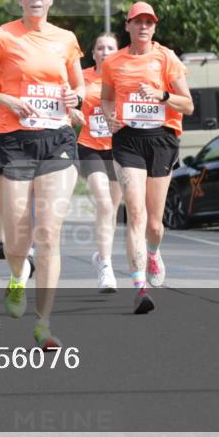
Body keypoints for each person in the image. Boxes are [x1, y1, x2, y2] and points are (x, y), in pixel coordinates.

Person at [0, 0, 84, 350]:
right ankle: (18, 275)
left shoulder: (66, 40)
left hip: (57, 140)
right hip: (14, 141)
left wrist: (74, 99)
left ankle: (44, 323)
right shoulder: (1, 37)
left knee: (48, 231)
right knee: (16, 237)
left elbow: (79, 85)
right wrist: (8, 100)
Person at [101, 1, 193, 314]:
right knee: (136, 213)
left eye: (149, 22)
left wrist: (162, 95)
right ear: (127, 26)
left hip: (162, 139)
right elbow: (106, 100)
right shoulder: (114, 62)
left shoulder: (166, 57)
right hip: (128, 139)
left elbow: (188, 105)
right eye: (137, 21)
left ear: (154, 27)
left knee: (154, 223)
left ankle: (153, 252)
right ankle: (139, 288)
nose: (143, 27)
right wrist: (110, 117)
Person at [70, 32, 123, 293]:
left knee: (112, 209)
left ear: (117, 51)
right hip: (89, 147)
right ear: (93, 54)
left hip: (119, 149)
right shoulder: (83, 77)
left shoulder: (125, 77)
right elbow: (69, 103)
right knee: (103, 202)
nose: (105, 51)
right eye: (100, 48)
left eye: (110, 47)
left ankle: (101, 254)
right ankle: (106, 267)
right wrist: (74, 113)